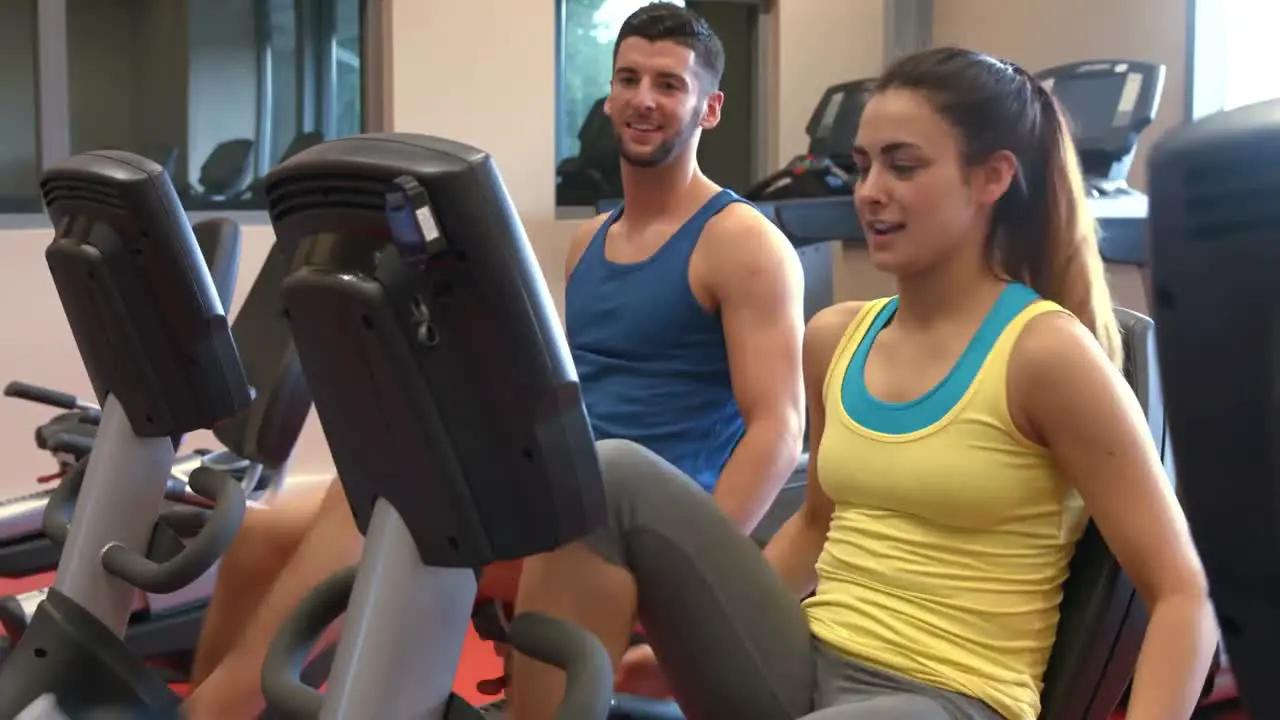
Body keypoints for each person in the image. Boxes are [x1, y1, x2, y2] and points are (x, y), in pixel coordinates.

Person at [507, 46, 1220, 720]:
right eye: (864, 165)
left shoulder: (1045, 354)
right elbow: (816, 527)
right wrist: (698, 637)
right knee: (610, 474)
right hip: (808, 663)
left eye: (904, 167)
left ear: (991, 177)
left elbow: (1183, 592)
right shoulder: (836, 336)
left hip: (947, 696)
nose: (871, 192)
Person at [181, 3, 806, 717]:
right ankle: (215, 698)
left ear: (710, 108)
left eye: (668, 84)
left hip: (630, 515)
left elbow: (779, 432)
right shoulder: (591, 241)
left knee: (388, 515)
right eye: (629, 78)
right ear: (608, 96)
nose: (643, 99)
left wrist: (695, 583)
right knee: (263, 529)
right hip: (552, 492)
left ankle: (211, 712)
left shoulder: (742, 243)